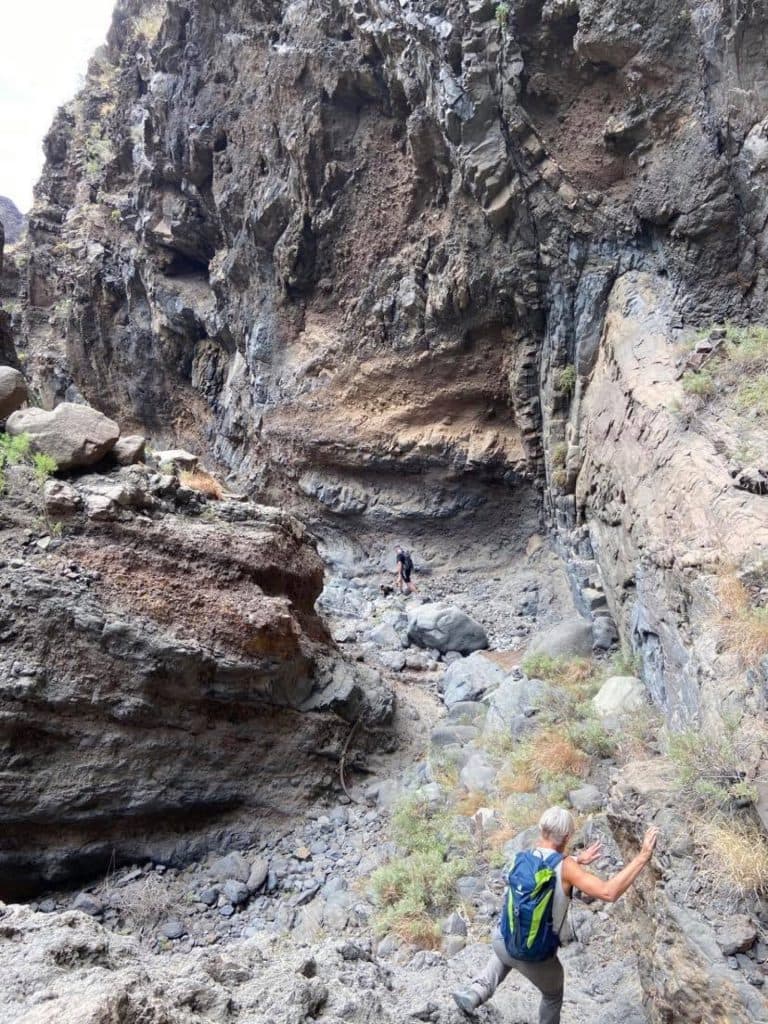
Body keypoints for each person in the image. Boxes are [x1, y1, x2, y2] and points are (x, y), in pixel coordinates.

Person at [452, 807, 659, 1021]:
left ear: (541, 829)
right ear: (567, 837)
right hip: (535, 958)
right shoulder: (566, 867)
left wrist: (577, 859)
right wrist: (643, 856)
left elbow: (548, 863)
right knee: (552, 995)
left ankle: (476, 991)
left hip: (502, 943)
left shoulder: (522, 857)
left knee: (510, 940)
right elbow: (609, 892)